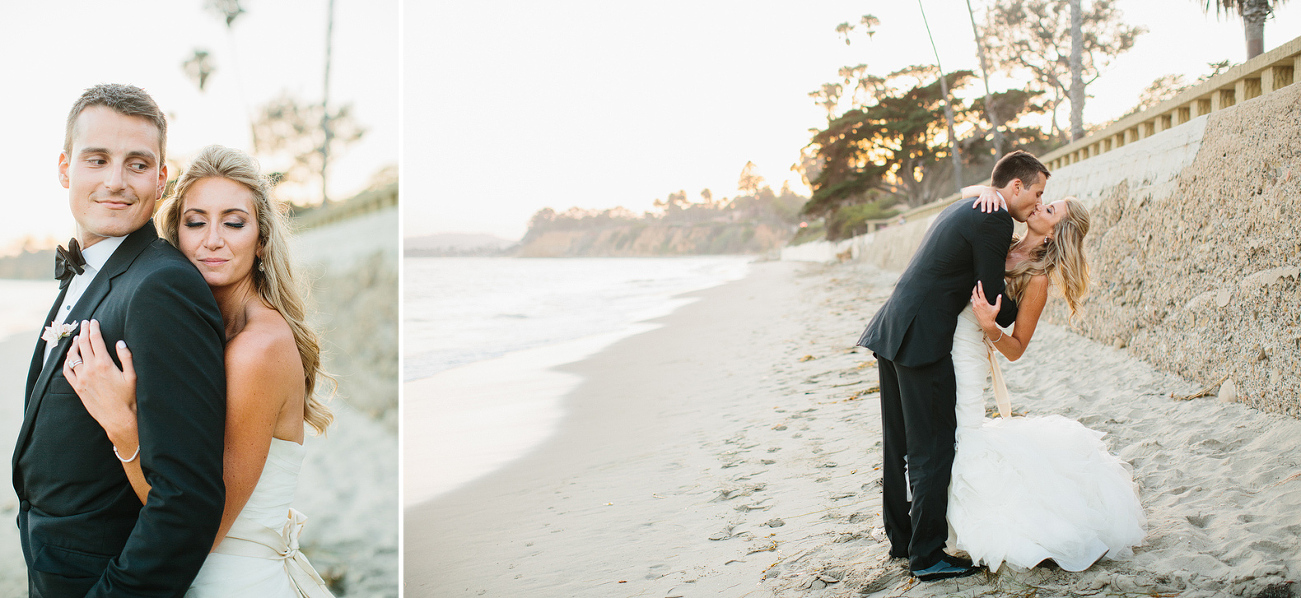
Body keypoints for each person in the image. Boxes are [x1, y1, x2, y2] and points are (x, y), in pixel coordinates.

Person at [65, 144, 336, 597]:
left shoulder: (259, 348)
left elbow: (197, 527)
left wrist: (122, 426)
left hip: (231, 580)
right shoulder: (203, 333)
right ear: (176, 235)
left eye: (234, 222)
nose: (213, 239)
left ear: (262, 238)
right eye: (195, 222)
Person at [12, 84, 227, 597]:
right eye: (97, 159)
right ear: (65, 168)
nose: (115, 181)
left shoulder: (162, 286)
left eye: (136, 164)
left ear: (161, 178)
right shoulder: (90, 274)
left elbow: (187, 498)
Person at [856, 150, 1047, 581]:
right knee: (934, 446)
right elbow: (991, 300)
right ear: (1014, 187)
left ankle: (902, 541)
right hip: (923, 339)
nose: (1037, 202)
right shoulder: (996, 219)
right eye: (1037, 193)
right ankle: (926, 556)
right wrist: (1013, 296)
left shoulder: (969, 205)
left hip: (893, 327)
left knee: (899, 443)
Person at [945, 186, 1145, 571]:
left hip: (971, 350)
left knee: (964, 433)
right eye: (1042, 199)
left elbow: (1018, 347)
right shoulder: (1001, 239)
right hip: (946, 339)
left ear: (1055, 232)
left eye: (1048, 208)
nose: (1039, 205)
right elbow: (971, 198)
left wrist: (990, 328)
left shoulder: (1037, 278)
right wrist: (987, 189)